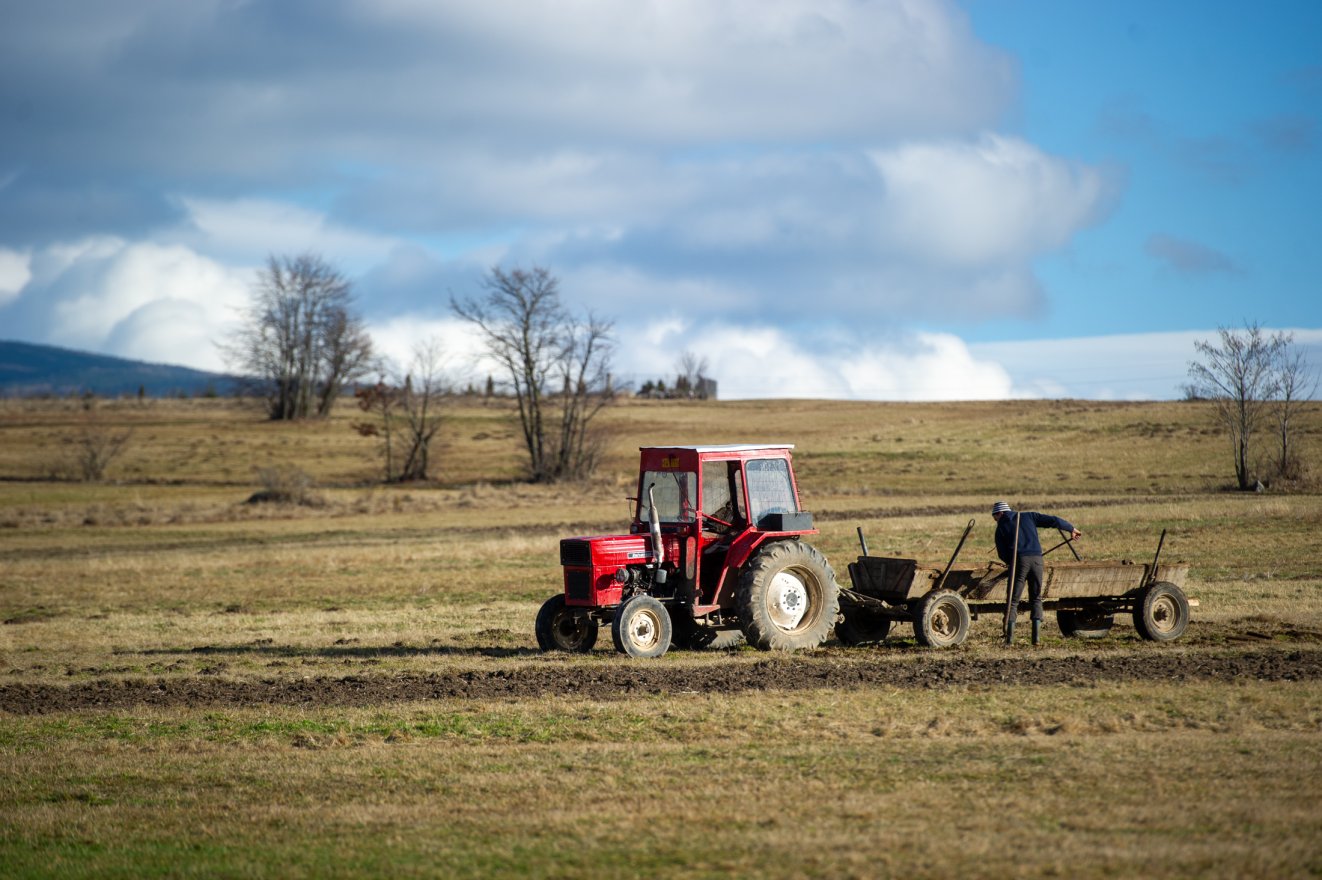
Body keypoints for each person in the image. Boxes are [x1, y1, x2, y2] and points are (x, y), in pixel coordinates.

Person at [991, 501, 1081, 646]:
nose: (996, 521)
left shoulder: (1001, 526)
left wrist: (1010, 562)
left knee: (1013, 600)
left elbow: (1002, 553)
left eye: (995, 518)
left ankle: (1009, 639)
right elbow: (1054, 520)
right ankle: (1036, 639)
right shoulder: (1029, 516)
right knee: (1036, 598)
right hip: (1038, 560)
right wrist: (1071, 528)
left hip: (1020, 561)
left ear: (999, 513)